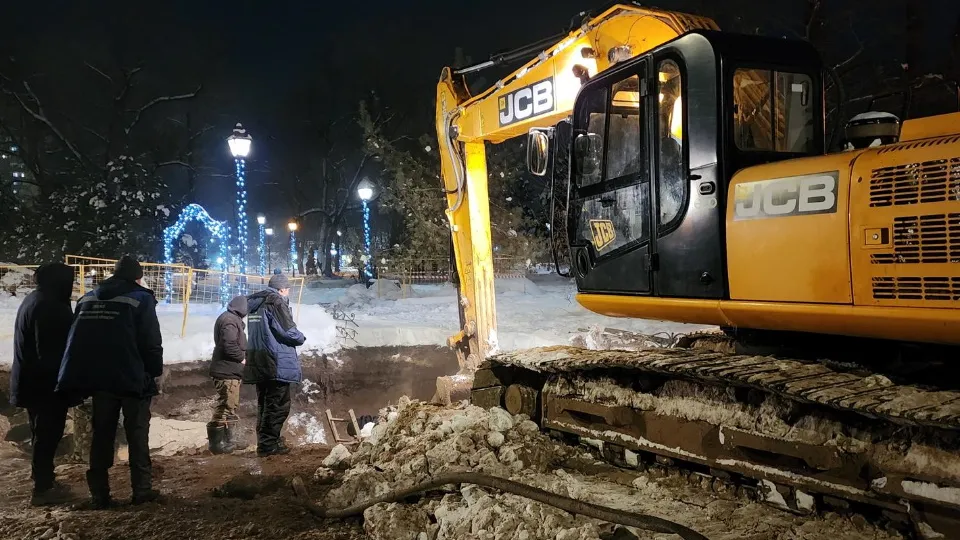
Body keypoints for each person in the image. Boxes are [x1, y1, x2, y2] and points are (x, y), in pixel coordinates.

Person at [57, 255, 163, 508]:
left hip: (100, 381)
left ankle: (99, 494)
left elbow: (77, 340)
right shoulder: (141, 299)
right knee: (137, 434)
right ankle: (142, 491)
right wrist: (153, 372)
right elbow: (150, 341)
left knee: (101, 434)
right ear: (137, 277)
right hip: (132, 378)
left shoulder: (87, 299)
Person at [10, 263, 75, 505]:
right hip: (45, 386)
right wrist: (65, 383)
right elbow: (51, 352)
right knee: (48, 435)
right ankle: (43, 489)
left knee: (41, 433)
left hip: (30, 381)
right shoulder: (50, 306)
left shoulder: (36, 298)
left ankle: (43, 478)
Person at [243, 274, 306, 457]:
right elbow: (288, 331)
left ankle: (266, 442)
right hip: (275, 360)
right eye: (287, 289)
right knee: (277, 405)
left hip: (258, 359)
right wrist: (301, 338)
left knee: (264, 404)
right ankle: (268, 445)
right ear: (282, 289)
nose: (288, 292)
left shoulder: (256, 303)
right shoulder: (275, 302)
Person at [207, 295, 247, 454]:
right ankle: (217, 445)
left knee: (231, 406)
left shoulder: (229, 318)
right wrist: (242, 358)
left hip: (229, 371)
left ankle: (230, 441)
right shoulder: (230, 321)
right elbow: (229, 344)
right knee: (226, 406)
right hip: (226, 371)